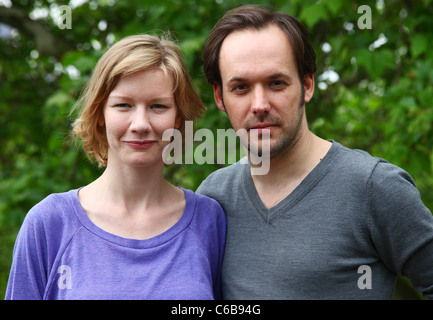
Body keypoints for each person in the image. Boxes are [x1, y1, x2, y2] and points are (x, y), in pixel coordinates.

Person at [196, 5, 433, 299]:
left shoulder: (374, 188)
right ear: (220, 97)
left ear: (307, 85)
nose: (259, 104)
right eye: (241, 87)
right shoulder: (214, 196)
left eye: (276, 83)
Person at [6, 34, 226, 300]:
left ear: (178, 118)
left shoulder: (208, 220)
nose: (141, 124)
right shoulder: (50, 223)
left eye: (158, 106)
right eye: (123, 105)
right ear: (100, 113)